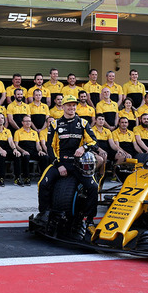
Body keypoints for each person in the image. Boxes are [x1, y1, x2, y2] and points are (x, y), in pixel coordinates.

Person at [38, 95, 99, 225]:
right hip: (60, 162)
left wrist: (84, 147)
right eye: (69, 105)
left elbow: (94, 141)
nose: (71, 107)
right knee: (43, 184)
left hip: (79, 164)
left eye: (73, 105)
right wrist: (58, 165)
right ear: (63, 107)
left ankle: (89, 218)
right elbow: (50, 147)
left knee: (93, 187)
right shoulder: (55, 124)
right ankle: (45, 213)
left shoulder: (83, 123)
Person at [14, 115, 48, 186]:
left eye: (29, 121)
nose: (28, 123)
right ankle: (26, 178)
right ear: (22, 122)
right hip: (23, 150)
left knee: (44, 157)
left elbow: (37, 144)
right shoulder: (18, 132)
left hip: (33, 151)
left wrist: (40, 150)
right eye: (26, 121)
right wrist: (22, 151)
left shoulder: (34, 132)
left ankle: (43, 177)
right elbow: (16, 145)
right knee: (26, 156)